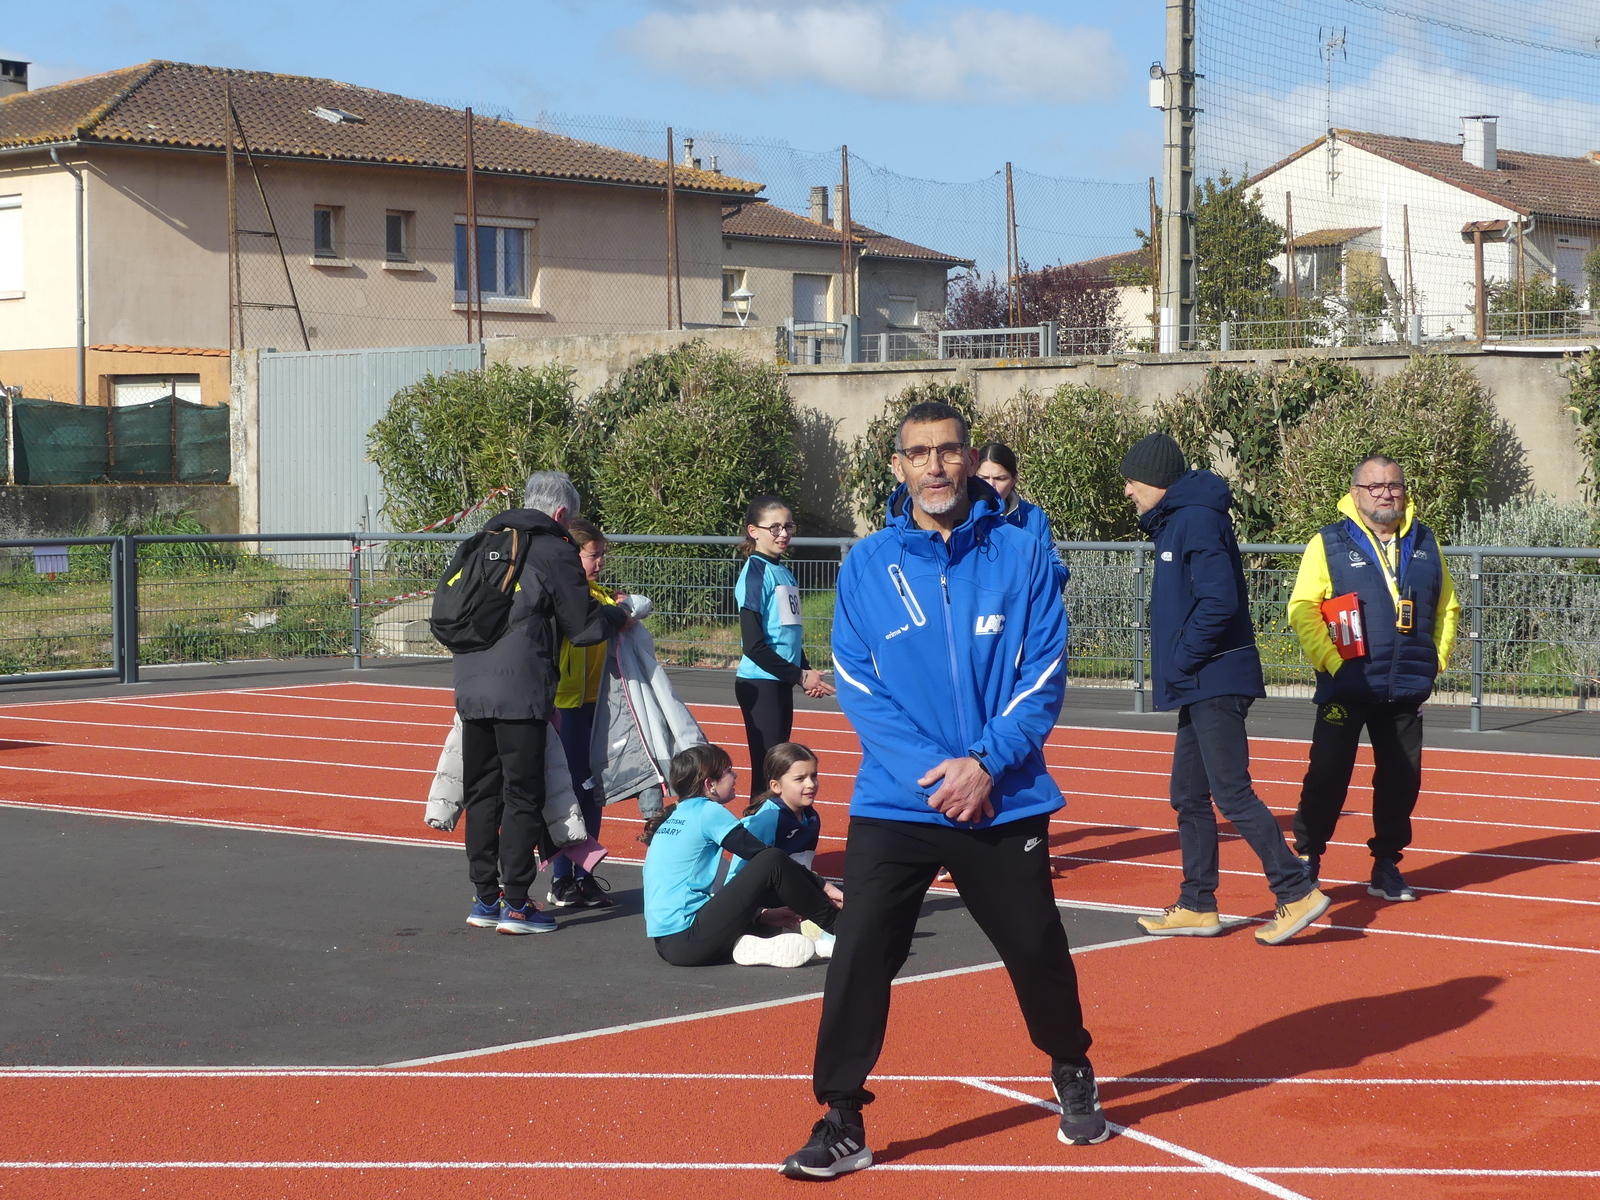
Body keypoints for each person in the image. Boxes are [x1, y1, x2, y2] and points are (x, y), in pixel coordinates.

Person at [780, 400, 1103, 1182]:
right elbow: (859, 684)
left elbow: (1045, 672)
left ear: (968, 460)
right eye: (919, 452)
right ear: (898, 466)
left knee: (1035, 945)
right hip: (900, 799)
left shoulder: (1022, 554)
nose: (934, 465)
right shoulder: (867, 565)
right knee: (861, 950)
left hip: (1003, 795)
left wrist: (985, 764)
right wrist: (938, 774)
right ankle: (841, 1116)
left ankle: (1070, 1064)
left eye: (948, 450)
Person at [1118, 433, 1327, 947]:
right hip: (1199, 679)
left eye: (1132, 481)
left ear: (1155, 479)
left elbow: (1219, 601)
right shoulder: (1177, 520)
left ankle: (1296, 889)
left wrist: (1183, 657)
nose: (1127, 491)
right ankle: (1197, 902)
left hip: (1213, 676)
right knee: (1188, 795)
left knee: (1230, 791)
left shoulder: (1195, 519)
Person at [456, 471, 629, 935]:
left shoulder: (484, 540)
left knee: (482, 793)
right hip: (521, 688)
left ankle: (485, 898)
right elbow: (584, 627)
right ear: (560, 513)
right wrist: (619, 614)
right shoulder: (554, 549)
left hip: (470, 684)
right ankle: (516, 903)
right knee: (522, 794)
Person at [1286, 454, 1460, 902]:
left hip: (1405, 688)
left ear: (1404, 491)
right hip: (1348, 683)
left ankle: (1386, 866)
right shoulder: (1328, 542)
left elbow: (1447, 607)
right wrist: (1334, 663)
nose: (1386, 494)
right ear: (1356, 493)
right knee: (1327, 775)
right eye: (1375, 486)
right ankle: (1307, 860)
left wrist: (1435, 660)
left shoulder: (1426, 542)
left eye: (1393, 485)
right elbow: (1303, 608)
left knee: (1401, 781)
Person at [642, 743, 841, 968]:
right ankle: (840, 928)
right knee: (772, 859)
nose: (735, 775)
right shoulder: (708, 811)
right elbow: (763, 857)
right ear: (710, 784)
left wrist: (759, 915)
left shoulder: (677, 814)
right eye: (728, 771)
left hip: (670, 944)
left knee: (760, 869)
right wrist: (821, 886)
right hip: (689, 938)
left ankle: (746, 944)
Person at [734, 495, 834, 796]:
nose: (783, 534)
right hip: (760, 683)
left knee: (776, 768)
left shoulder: (784, 571)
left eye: (788, 526)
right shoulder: (756, 574)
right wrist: (800, 676)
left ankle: (772, 824)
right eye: (774, 527)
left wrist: (805, 670)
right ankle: (755, 825)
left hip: (779, 680)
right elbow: (754, 646)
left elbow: (788, 633)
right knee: (769, 772)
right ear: (753, 531)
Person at [546, 517, 621, 911]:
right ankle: (561, 878)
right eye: (594, 555)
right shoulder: (561, 595)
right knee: (567, 792)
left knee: (593, 793)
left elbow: (615, 615)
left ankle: (585, 875)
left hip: (597, 706)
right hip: (566, 706)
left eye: (602, 555)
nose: (600, 562)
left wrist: (622, 605)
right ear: (572, 556)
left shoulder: (601, 595)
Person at [728, 741, 837, 957]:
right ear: (776, 786)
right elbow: (737, 879)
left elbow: (802, 866)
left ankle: (815, 927)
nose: (811, 784)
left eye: (813, 776)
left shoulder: (811, 817)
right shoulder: (767, 820)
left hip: (791, 894)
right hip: (762, 903)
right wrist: (761, 913)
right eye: (800, 779)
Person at [976, 441, 1068, 590]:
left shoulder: (1034, 516)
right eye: (983, 478)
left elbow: (1059, 571)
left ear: (1014, 479)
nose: (991, 485)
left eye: (1000, 478)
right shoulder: (964, 517)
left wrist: (1025, 578)